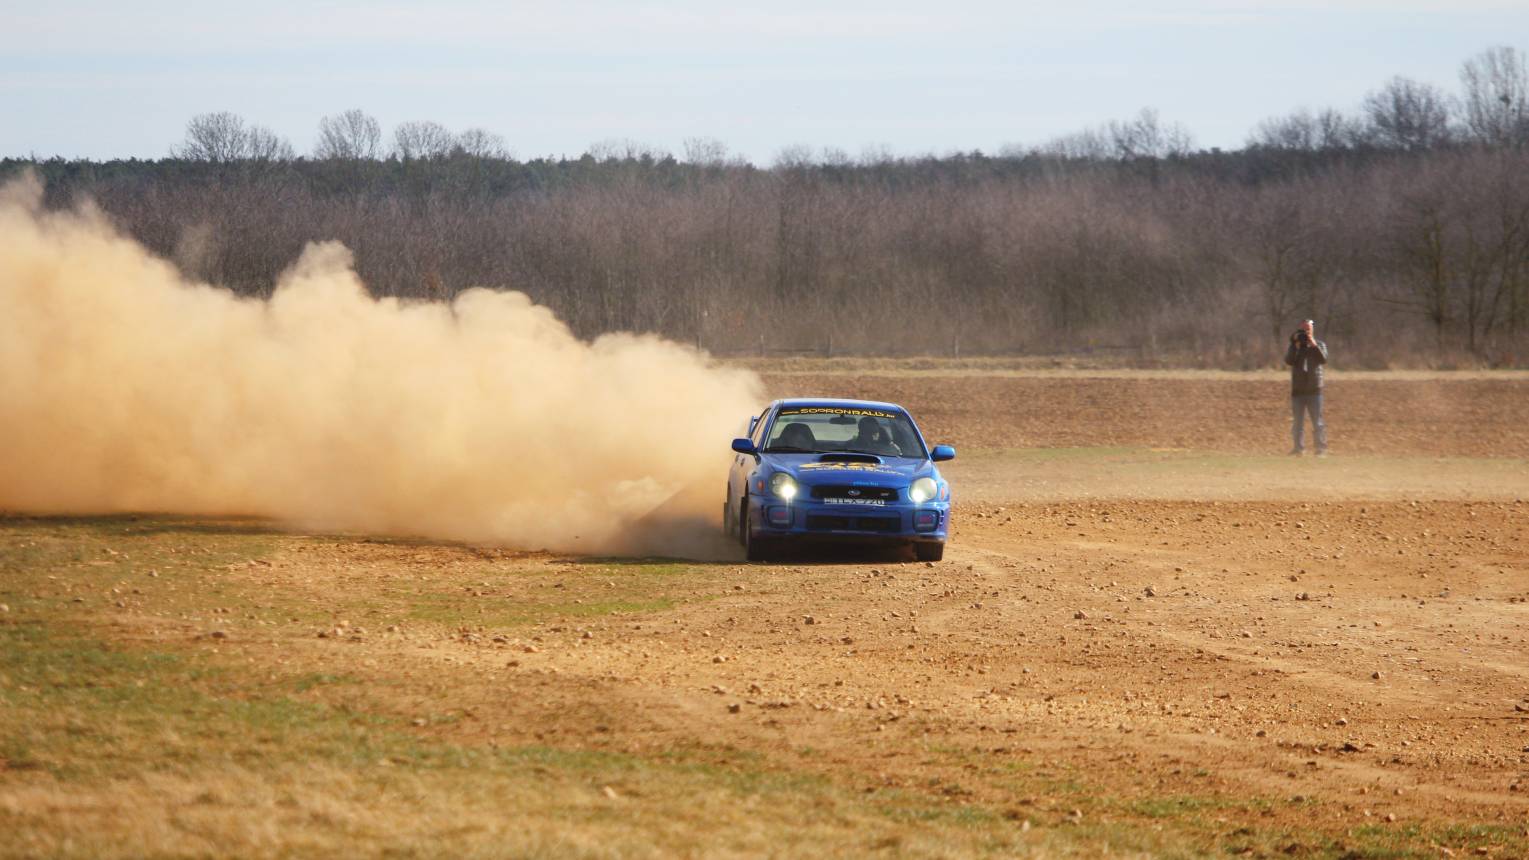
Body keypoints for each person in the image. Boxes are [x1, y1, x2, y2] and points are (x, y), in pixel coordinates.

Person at [1284, 319, 1328, 456]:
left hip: (1314, 389)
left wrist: (1313, 344)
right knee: (1298, 423)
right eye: (1303, 330)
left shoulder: (1319, 344)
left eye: (1308, 329)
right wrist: (1296, 347)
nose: (1306, 332)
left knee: (1318, 422)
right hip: (1298, 390)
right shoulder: (1295, 346)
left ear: (1312, 329)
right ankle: (1299, 449)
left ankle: (1320, 449)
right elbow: (1288, 361)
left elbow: (1323, 359)